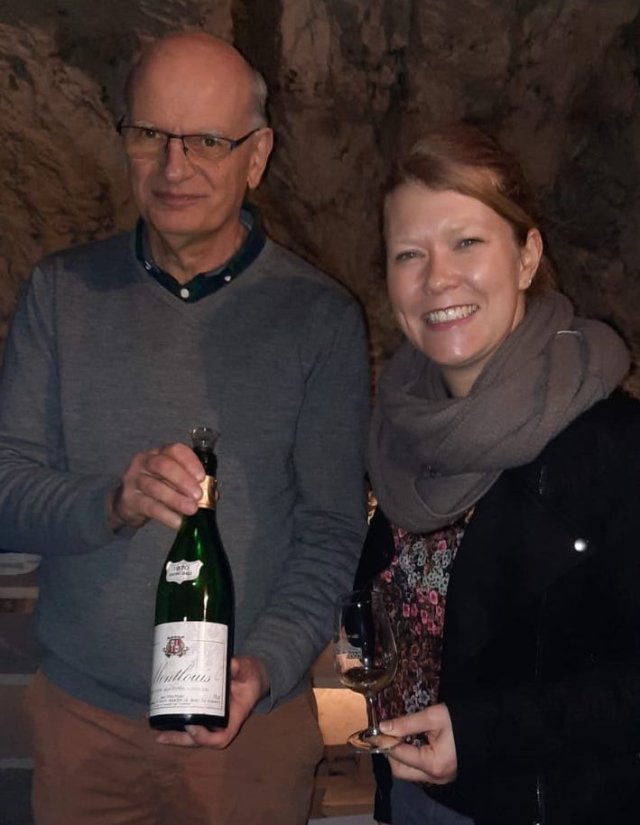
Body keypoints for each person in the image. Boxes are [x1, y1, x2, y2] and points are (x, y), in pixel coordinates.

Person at [0, 31, 370, 825]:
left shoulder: (321, 319)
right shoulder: (58, 296)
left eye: (208, 140)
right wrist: (112, 500)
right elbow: (7, 492)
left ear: (258, 154)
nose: (175, 168)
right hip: (83, 723)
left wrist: (263, 667)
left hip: (251, 734)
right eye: (151, 135)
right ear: (125, 140)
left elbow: (332, 530)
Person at [358, 122, 640, 825]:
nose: (437, 277)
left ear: (526, 255)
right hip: (412, 797)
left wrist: (484, 735)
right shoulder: (399, 436)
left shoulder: (612, 445)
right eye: (408, 253)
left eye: (466, 242)